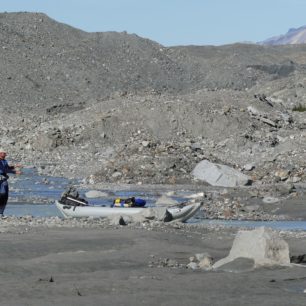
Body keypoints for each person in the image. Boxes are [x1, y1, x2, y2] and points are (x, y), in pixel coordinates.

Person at [0, 148, 22, 216]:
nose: (6, 154)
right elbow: (3, 170)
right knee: (2, 195)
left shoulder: (4, 161)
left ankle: (1, 213)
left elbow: (7, 168)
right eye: (4, 153)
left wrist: (15, 166)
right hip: (1, 181)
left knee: (5, 196)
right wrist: (15, 172)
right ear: (0, 153)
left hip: (3, 180)